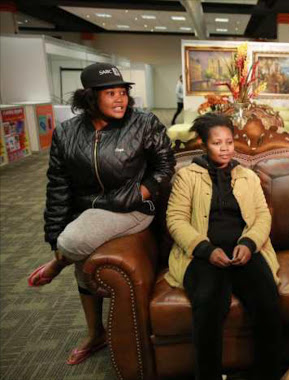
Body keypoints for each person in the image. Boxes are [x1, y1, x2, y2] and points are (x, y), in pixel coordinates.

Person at [27, 62, 175, 365]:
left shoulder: (143, 123)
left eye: (123, 92)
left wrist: (139, 193)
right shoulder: (66, 133)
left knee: (74, 241)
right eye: (111, 94)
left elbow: (165, 165)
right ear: (90, 97)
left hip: (132, 208)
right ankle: (95, 334)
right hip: (88, 210)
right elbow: (58, 185)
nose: (120, 99)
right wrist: (54, 233)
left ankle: (58, 263)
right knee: (77, 244)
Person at [165, 113, 281, 380]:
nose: (226, 148)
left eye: (229, 141)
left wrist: (250, 243)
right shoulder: (187, 176)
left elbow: (263, 216)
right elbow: (175, 219)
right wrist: (205, 249)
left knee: (267, 302)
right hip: (203, 254)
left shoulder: (247, 176)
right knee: (207, 303)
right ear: (204, 145)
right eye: (218, 143)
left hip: (245, 251)